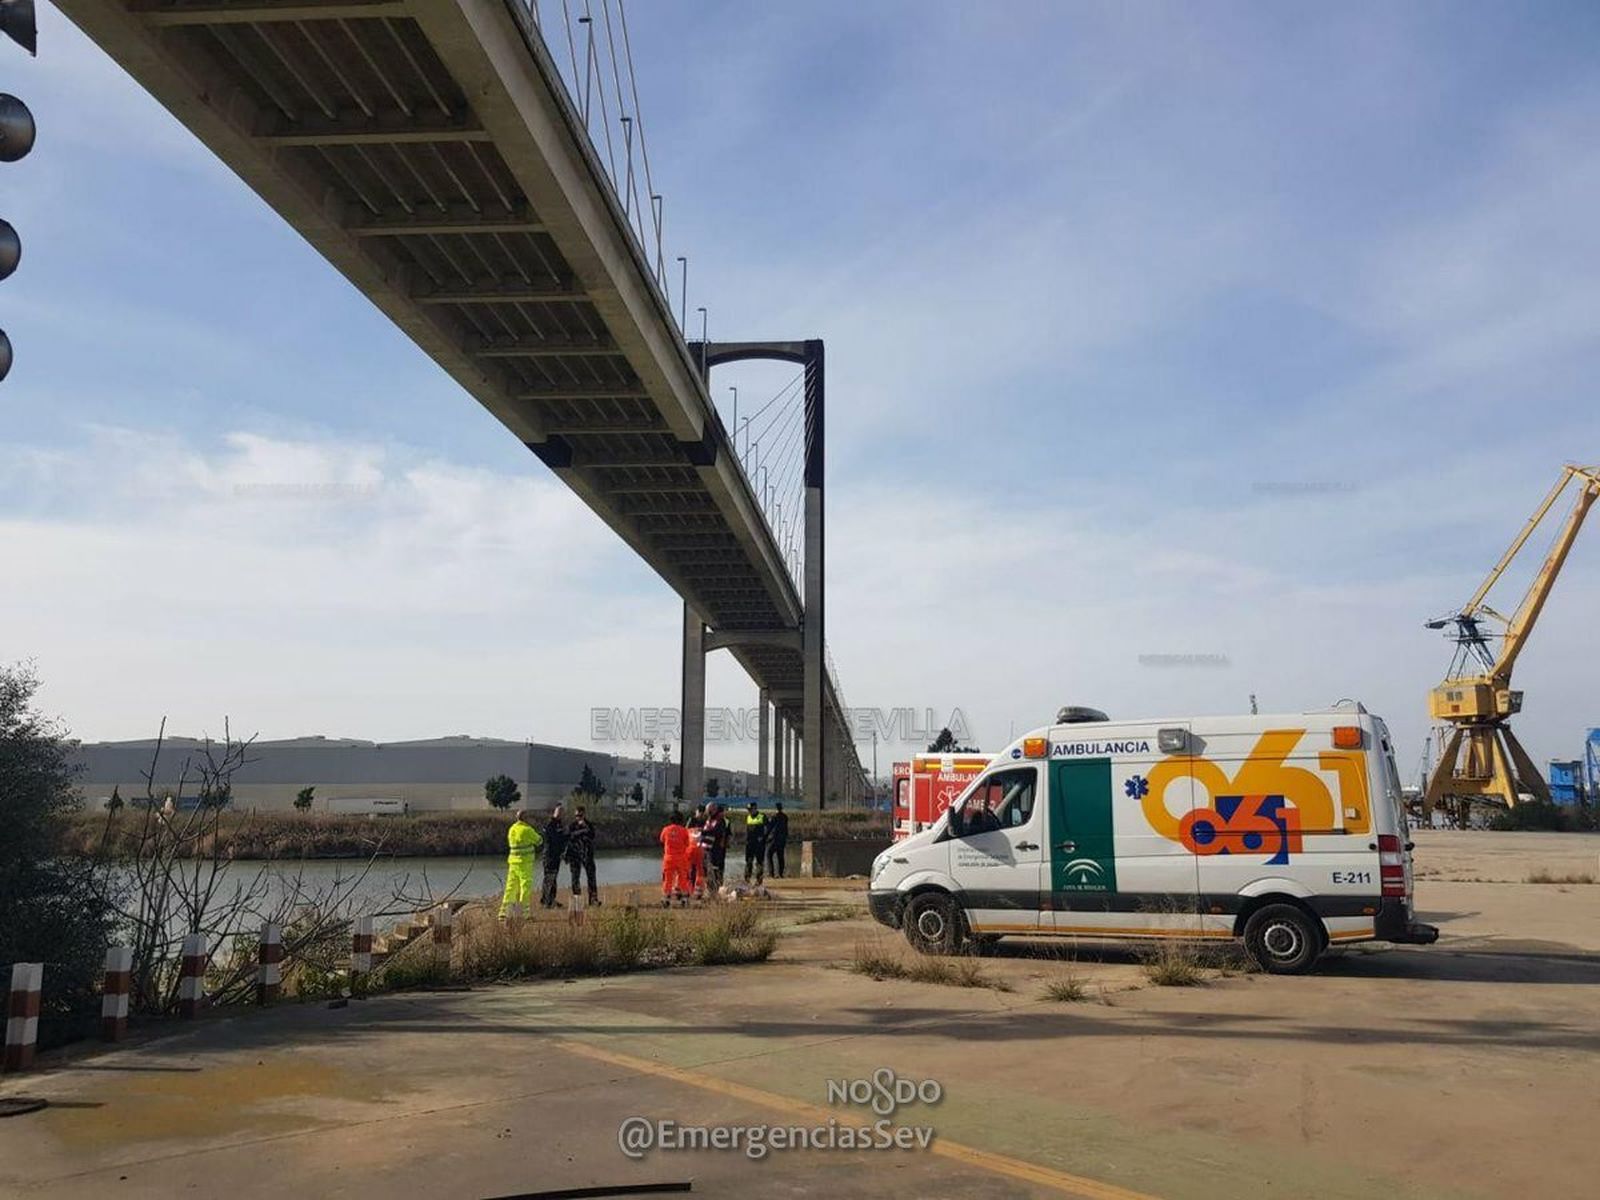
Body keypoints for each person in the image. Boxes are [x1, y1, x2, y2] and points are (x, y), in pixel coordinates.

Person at [499, 809, 543, 920]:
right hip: (525, 862)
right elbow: (539, 841)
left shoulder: (512, 829)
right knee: (525, 887)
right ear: (526, 818)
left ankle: (504, 913)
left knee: (510, 888)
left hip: (513, 862)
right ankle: (524, 914)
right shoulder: (527, 830)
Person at [565, 804, 599, 906]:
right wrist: (581, 831)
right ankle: (577, 900)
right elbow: (569, 836)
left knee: (591, 877)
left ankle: (593, 900)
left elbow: (592, 834)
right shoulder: (572, 826)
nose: (578, 818)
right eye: (576, 816)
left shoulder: (589, 824)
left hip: (587, 854)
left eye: (580, 815)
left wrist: (584, 826)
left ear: (584, 815)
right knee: (575, 877)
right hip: (575, 854)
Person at [659, 810, 692, 906]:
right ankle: (685, 898)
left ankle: (666, 898)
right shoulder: (684, 831)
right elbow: (687, 844)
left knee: (667, 879)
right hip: (681, 858)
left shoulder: (665, 830)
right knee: (683, 879)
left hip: (668, 858)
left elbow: (662, 840)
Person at [539, 805, 569, 908]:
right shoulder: (549, 824)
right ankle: (548, 902)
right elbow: (554, 839)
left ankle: (549, 899)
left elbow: (562, 838)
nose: (561, 815)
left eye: (562, 813)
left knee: (552, 878)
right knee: (549, 878)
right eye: (560, 813)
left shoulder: (559, 824)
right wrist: (564, 835)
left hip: (556, 855)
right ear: (556, 813)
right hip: (549, 855)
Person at [701, 802, 730, 894]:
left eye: (710, 810)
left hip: (716, 849)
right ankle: (710, 888)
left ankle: (715, 889)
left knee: (715, 869)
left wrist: (704, 832)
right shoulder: (709, 820)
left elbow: (716, 832)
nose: (708, 812)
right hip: (706, 849)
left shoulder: (720, 821)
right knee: (707, 870)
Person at [686, 803, 708, 899]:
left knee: (699, 870)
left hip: (699, 848)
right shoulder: (693, 820)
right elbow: (686, 831)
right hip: (693, 848)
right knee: (692, 870)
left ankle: (697, 890)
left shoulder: (704, 821)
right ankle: (690, 889)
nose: (701, 815)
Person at [743, 801, 768, 885]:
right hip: (749, 843)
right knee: (748, 861)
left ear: (755, 808)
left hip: (759, 844)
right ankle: (747, 878)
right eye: (748, 810)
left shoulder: (762, 816)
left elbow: (767, 829)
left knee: (759, 862)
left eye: (751, 809)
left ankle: (759, 880)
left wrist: (763, 838)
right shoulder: (748, 817)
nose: (749, 811)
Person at [765, 800, 789, 879]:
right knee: (780, 856)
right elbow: (786, 829)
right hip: (782, 840)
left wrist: (765, 837)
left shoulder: (774, 817)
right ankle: (780, 874)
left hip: (775, 839)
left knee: (769, 854)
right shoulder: (785, 817)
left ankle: (771, 873)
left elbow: (770, 828)